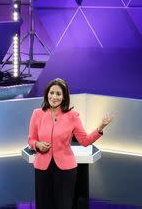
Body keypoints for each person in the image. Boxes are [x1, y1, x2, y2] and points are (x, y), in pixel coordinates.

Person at [28, 78, 113, 209]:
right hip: (42, 168)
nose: (54, 97)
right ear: (47, 94)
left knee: (64, 205)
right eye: (51, 93)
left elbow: (85, 141)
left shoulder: (72, 116)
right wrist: (37, 145)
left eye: (58, 94)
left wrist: (100, 128)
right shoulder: (37, 114)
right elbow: (31, 140)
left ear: (64, 97)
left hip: (65, 170)